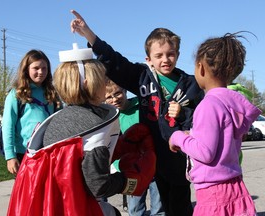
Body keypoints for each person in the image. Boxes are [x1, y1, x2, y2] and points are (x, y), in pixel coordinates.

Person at [71, 10, 203, 215]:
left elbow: (202, 118)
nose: (165, 59)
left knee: (180, 207)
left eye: (171, 54)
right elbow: (114, 61)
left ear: (177, 54)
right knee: (162, 207)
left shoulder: (191, 85)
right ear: (148, 58)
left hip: (178, 161)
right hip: (152, 158)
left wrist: (184, 113)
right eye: (158, 55)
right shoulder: (142, 78)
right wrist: (89, 35)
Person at [7, 47, 156, 216]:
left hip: (50, 207)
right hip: (76, 208)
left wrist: (118, 148)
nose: (105, 83)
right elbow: (98, 185)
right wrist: (129, 180)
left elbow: (72, 166)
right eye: (102, 79)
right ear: (87, 83)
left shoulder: (55, 120)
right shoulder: (94, 125)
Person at [169, 32, 259, 215]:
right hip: (234, 186)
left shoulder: (208, 105)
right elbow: (219, 143)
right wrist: (192, 136)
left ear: (200, 68)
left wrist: (178, 137)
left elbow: (206, 152)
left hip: (214, 193)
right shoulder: (232, 105)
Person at [105, 80, 165, 216]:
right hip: (131, 169)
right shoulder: (109, 118)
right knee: (135, 209)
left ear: (125, 91)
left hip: (154, 165)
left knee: (159, 209)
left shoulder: (142, 106)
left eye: (118, 93)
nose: (114, 99)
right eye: (109, 97)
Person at [2, 49, 62, 176]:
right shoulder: (16, 94)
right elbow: (8, 126)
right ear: (26, 69)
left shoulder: (52, 94)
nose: (41, 72)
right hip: (23, 154)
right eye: (36, 68)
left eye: (44, 68)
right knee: (27, 194)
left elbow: (60, 121)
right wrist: (10, 156)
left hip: (47, 153)